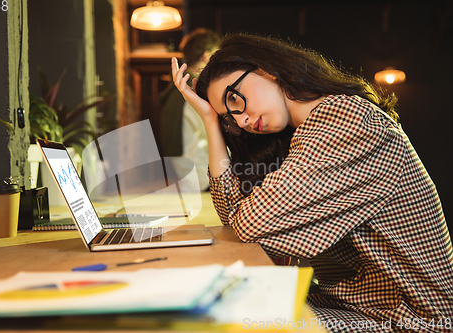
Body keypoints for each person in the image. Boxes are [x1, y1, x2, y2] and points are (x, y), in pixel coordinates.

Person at [171, 33, 453, 332]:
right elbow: (232, 220)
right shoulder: (303, 135)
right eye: (229, 118)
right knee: (209, 314)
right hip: (353, 304)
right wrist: (211, 122)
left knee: (222, 324)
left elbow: (249, 226)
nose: (240, 122)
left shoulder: (345, 119)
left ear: (266, 68)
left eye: (233, 99)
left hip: (412, 319)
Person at [160, 28, 221, 192]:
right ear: (206, 56)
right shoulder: (194, 91)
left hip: (182, 174)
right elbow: (215, 135)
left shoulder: (175, 90)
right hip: (202, 177)